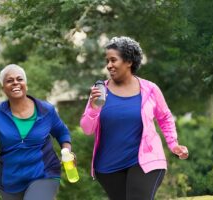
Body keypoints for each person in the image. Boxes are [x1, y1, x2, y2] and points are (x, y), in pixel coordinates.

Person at [80, 36, 189, 200]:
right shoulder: (100, 90)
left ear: (129, 61)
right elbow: (87, 129)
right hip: (108, 167)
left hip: (145, 162)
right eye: (107, 61)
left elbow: (165, 117)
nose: (109, 65)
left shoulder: (150, 89)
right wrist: (94, 108)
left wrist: (173, 144)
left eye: (113, 60)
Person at [0, 64, 72, 200]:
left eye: (20, 79)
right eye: (9, 80)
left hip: (44, 174)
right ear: (3, 88)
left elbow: (62, 132)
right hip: (10, 182)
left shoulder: (46, 110)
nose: (15, 83)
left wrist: (67, 151)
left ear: (26, 84)